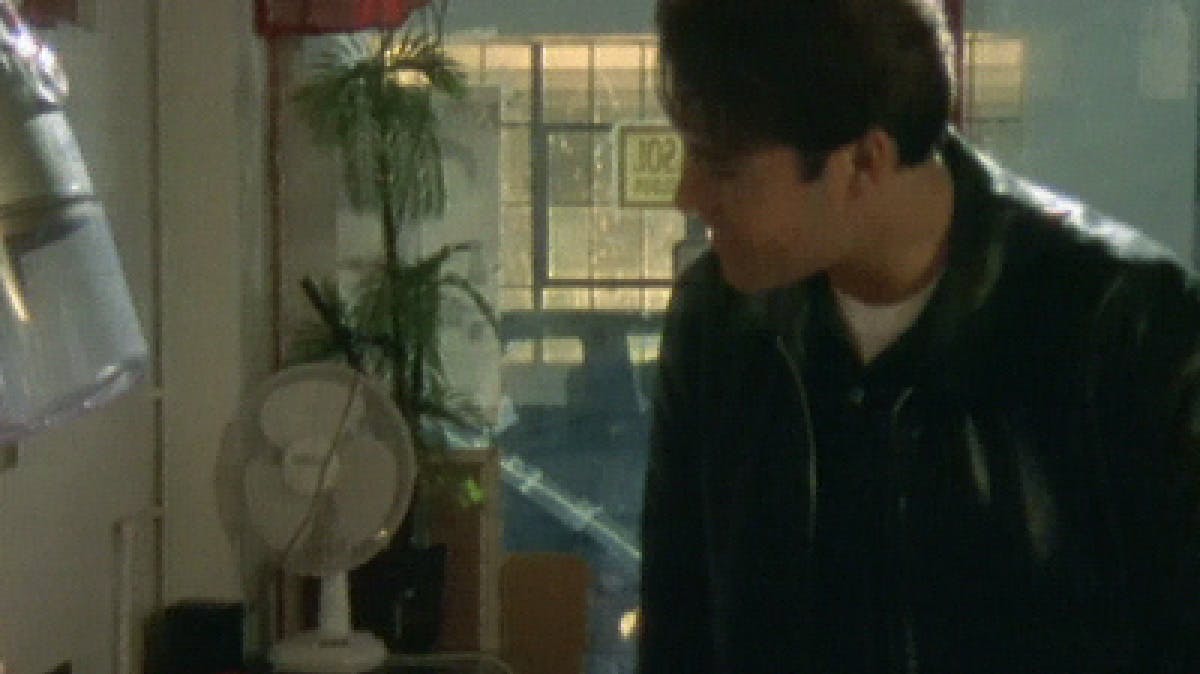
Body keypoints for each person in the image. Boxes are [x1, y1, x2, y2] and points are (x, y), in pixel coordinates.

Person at [638, 0, 1200, 671]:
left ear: (866, 162)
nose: (687, 194)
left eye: (723, 166)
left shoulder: (1121, 320)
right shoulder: (720, 323)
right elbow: (680, 631)